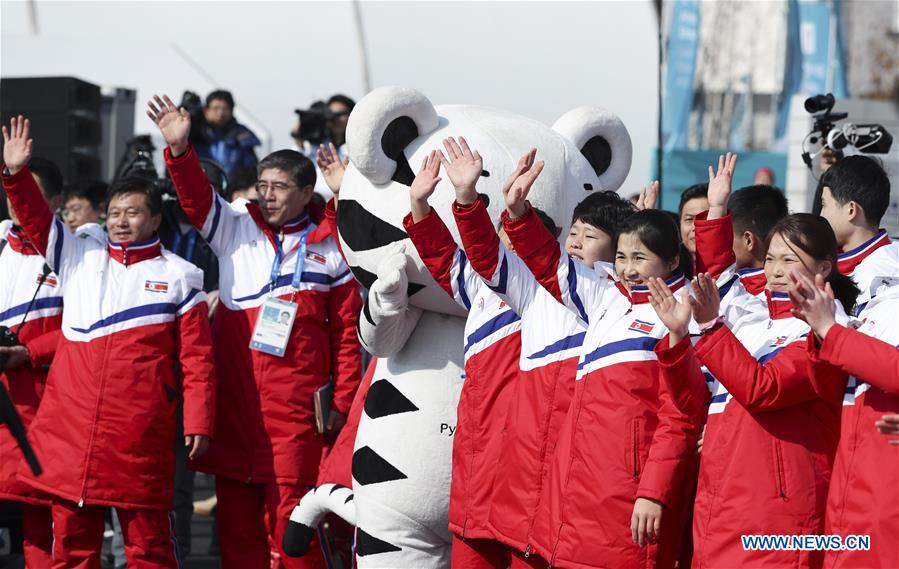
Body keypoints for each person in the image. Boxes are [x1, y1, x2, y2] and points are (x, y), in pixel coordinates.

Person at [148, 94, 362, 569]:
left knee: (295, 540)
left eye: (280, 186)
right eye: (262, 184)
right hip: (236, 413)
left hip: (297, 422)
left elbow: (348, 338)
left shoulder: (330, 246)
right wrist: (180, 151)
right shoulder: (235, 226)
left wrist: (342, 407)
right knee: (238, 541)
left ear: (307, 192)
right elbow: (196, 199)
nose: (267, 194)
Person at [2, 115, 216, 568]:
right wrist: (16, 176)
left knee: (149, 550)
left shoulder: (180, 277)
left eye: (133, 212)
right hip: (71, 431)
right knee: (72, 551)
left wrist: (198, 421)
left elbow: (198, 360)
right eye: (115, 213)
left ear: (155, 219)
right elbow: (38, 221)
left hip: (139, 435)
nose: (121, 221)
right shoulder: (79, 255)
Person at [476, 151, 702, 569]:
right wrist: (518, 213)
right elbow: (549, 264)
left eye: (640, 258)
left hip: (629, 504)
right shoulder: (605, 297)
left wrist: (652, 491)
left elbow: (681, 417)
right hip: (577, 502)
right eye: (622, 258)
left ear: (672, 261)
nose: (629, 270)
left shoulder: (686, 311)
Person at [679, 155, 859, 568]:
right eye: (772, 258)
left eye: (790, 260)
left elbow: (765, 389)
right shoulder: (757, 316)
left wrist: (710, 329)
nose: (776, 271)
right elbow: (718, 278)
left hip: (778, 510)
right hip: (725, 498)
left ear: (824, 268)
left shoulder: (829, 329)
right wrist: (718, 210)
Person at [402, 141, 524, 569]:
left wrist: (467, 199)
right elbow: (440, 254)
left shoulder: (559, 298)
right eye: (503, 236)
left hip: (526, 469)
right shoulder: (481, 290)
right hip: (475, 459)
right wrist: (419, 201)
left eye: (516, 237)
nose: (502, 249)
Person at [790, 271, 898, 568]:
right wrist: (822, 334)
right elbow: (831, 391)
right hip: (851, 493)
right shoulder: (877, 306)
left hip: (885, 502)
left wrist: (832, 330)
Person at [0, 156, 66, 569]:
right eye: (14, 192)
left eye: (33, 194)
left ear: (56, 201)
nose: (20, 203)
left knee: (42, 524)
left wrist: (28, 352)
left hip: (44, 411)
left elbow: (90, 334)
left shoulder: (80, 253)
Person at [818, 154, 898, 314]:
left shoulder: (884, 273)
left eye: (824, 205)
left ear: (851, 210)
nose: (820, 215)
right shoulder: (830, 261)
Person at [195, 90, 261, 176]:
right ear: (206, 110)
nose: (220, 113)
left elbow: (251, 168)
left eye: (225, 108)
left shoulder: (242, 136)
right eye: (215, 108)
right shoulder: (195, 133)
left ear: (232, 110)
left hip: (232, 186)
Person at [677, 183, 709, 261]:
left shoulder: (731, 270)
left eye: (703, 219)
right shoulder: (668, 268)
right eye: (689, 219)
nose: (695, 227)